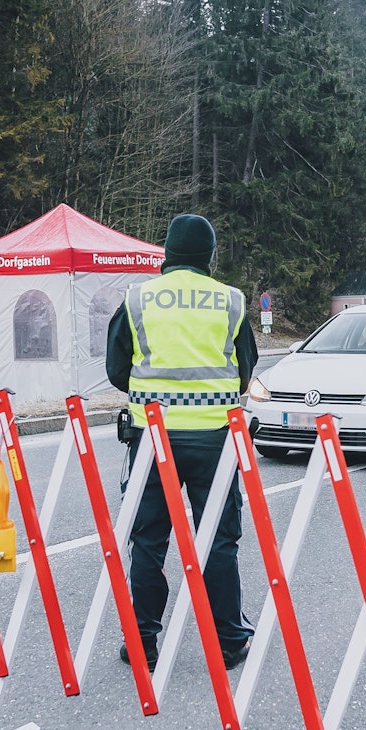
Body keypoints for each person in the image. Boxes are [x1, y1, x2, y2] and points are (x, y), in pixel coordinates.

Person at [105, 213, 257, 671]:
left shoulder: (137, 298)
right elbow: (244, 370)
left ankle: (143, 643)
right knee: (218, 539)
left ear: (166, 252)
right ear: (209, 257)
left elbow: (117, 369)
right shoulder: (230, 301)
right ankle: (229, 641)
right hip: (215, 442)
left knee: (148, 541)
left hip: (151, 441)